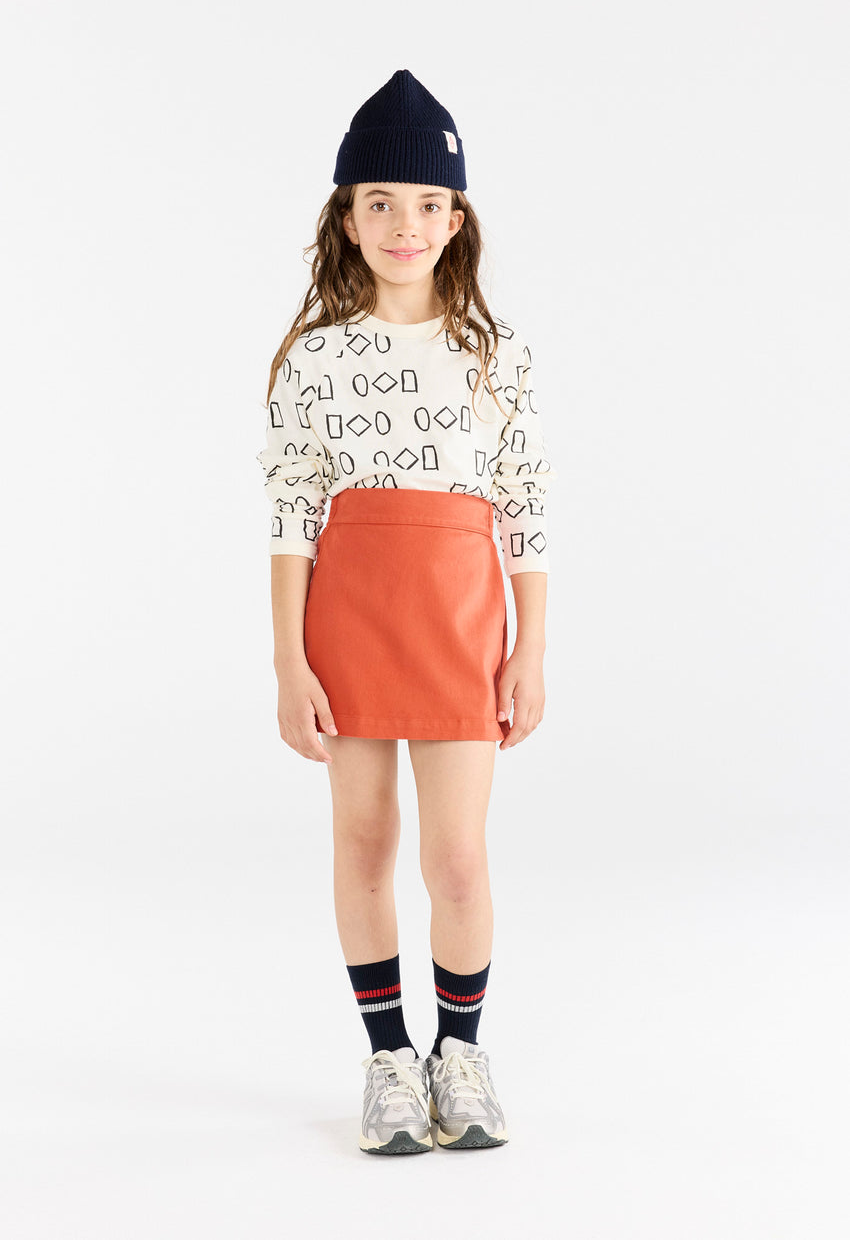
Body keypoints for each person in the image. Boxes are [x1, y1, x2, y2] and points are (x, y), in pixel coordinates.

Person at [256, 69, 556, 1154]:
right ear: (346, 216)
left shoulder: (496, 353)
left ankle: (459, 1052)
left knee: (458, 855)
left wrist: (530, 648)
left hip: (462, 620)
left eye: (428, 203)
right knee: (364, 837)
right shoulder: (314, 357)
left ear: (456, 219)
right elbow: (291, 510)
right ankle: (388, 1056)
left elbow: (525, 504)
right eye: (378, 201)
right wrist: (288, 660)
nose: (404, 224)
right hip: (350, 616)